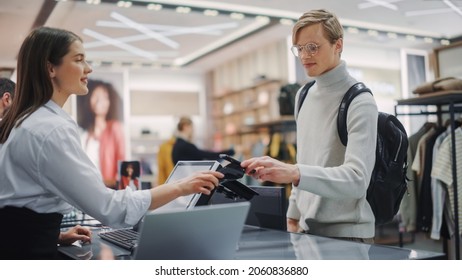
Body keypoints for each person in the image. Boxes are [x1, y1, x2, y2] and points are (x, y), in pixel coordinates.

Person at [0, 26, 223, 260]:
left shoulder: (21, 121)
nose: (89, 68)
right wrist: (180, 187)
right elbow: (110, 208)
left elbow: (15, 201)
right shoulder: (51, 128)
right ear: (50, 68)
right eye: (79, 60)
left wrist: (55, 235)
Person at [241, 9, 378, 243]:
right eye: (300, 48)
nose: (305, 55)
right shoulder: (303, 95)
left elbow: (357, 180)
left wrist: (294, 172)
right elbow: (305, 160)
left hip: (347, 236)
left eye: (313, 47)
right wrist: (293, 214)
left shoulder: (360, 101)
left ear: (338, 45)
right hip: (306, 231)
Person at [77, 79, 125, 188]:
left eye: (105, 97)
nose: (100, 100)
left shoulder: (114, 128)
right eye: (96, 95)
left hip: (108, 189)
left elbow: (122, 161)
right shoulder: (84, 134)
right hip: (87, 188)